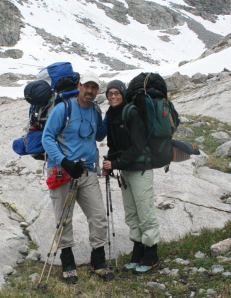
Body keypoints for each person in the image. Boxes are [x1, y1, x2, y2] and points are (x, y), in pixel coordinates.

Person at [42, 71, 114, 283]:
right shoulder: (62, 109)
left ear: (97, 90)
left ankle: (98, 260)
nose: (90, 91)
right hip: (62, 171)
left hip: (87, 171)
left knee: (99, 215)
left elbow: (98, 135)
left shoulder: (95, 109)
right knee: (64, 218)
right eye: (87, 86)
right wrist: (64, 161)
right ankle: (68, 262)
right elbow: (47, 137)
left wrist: (109, 116)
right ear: (79, 86)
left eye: (94, 88)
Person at [102, 79, 161, 274]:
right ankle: (137, 254)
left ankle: (151, 256)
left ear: (123, 94)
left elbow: (137, 146)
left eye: (116, 93)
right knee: (131, 213)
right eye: (110, 93)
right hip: (126, 170)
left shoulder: (132, 112)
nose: (113, 96)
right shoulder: (111, 114)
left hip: (140, 170)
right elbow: (113, 145)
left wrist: (116, 164)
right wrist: (109, 164)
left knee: (145, 212)